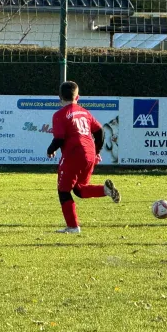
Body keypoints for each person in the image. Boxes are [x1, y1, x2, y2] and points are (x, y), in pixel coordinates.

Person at [47, 81, 120, 233]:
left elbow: (59, 138)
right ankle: (105, 190)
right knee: (79, 189)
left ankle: (73, 227)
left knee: (63, 191)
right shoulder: (84, 112)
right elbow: (100, 131)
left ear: (59, 97)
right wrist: (97, 152)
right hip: (89, 153)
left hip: (74, 154)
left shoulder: (60, 115)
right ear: (78, 97)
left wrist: (50, 149)